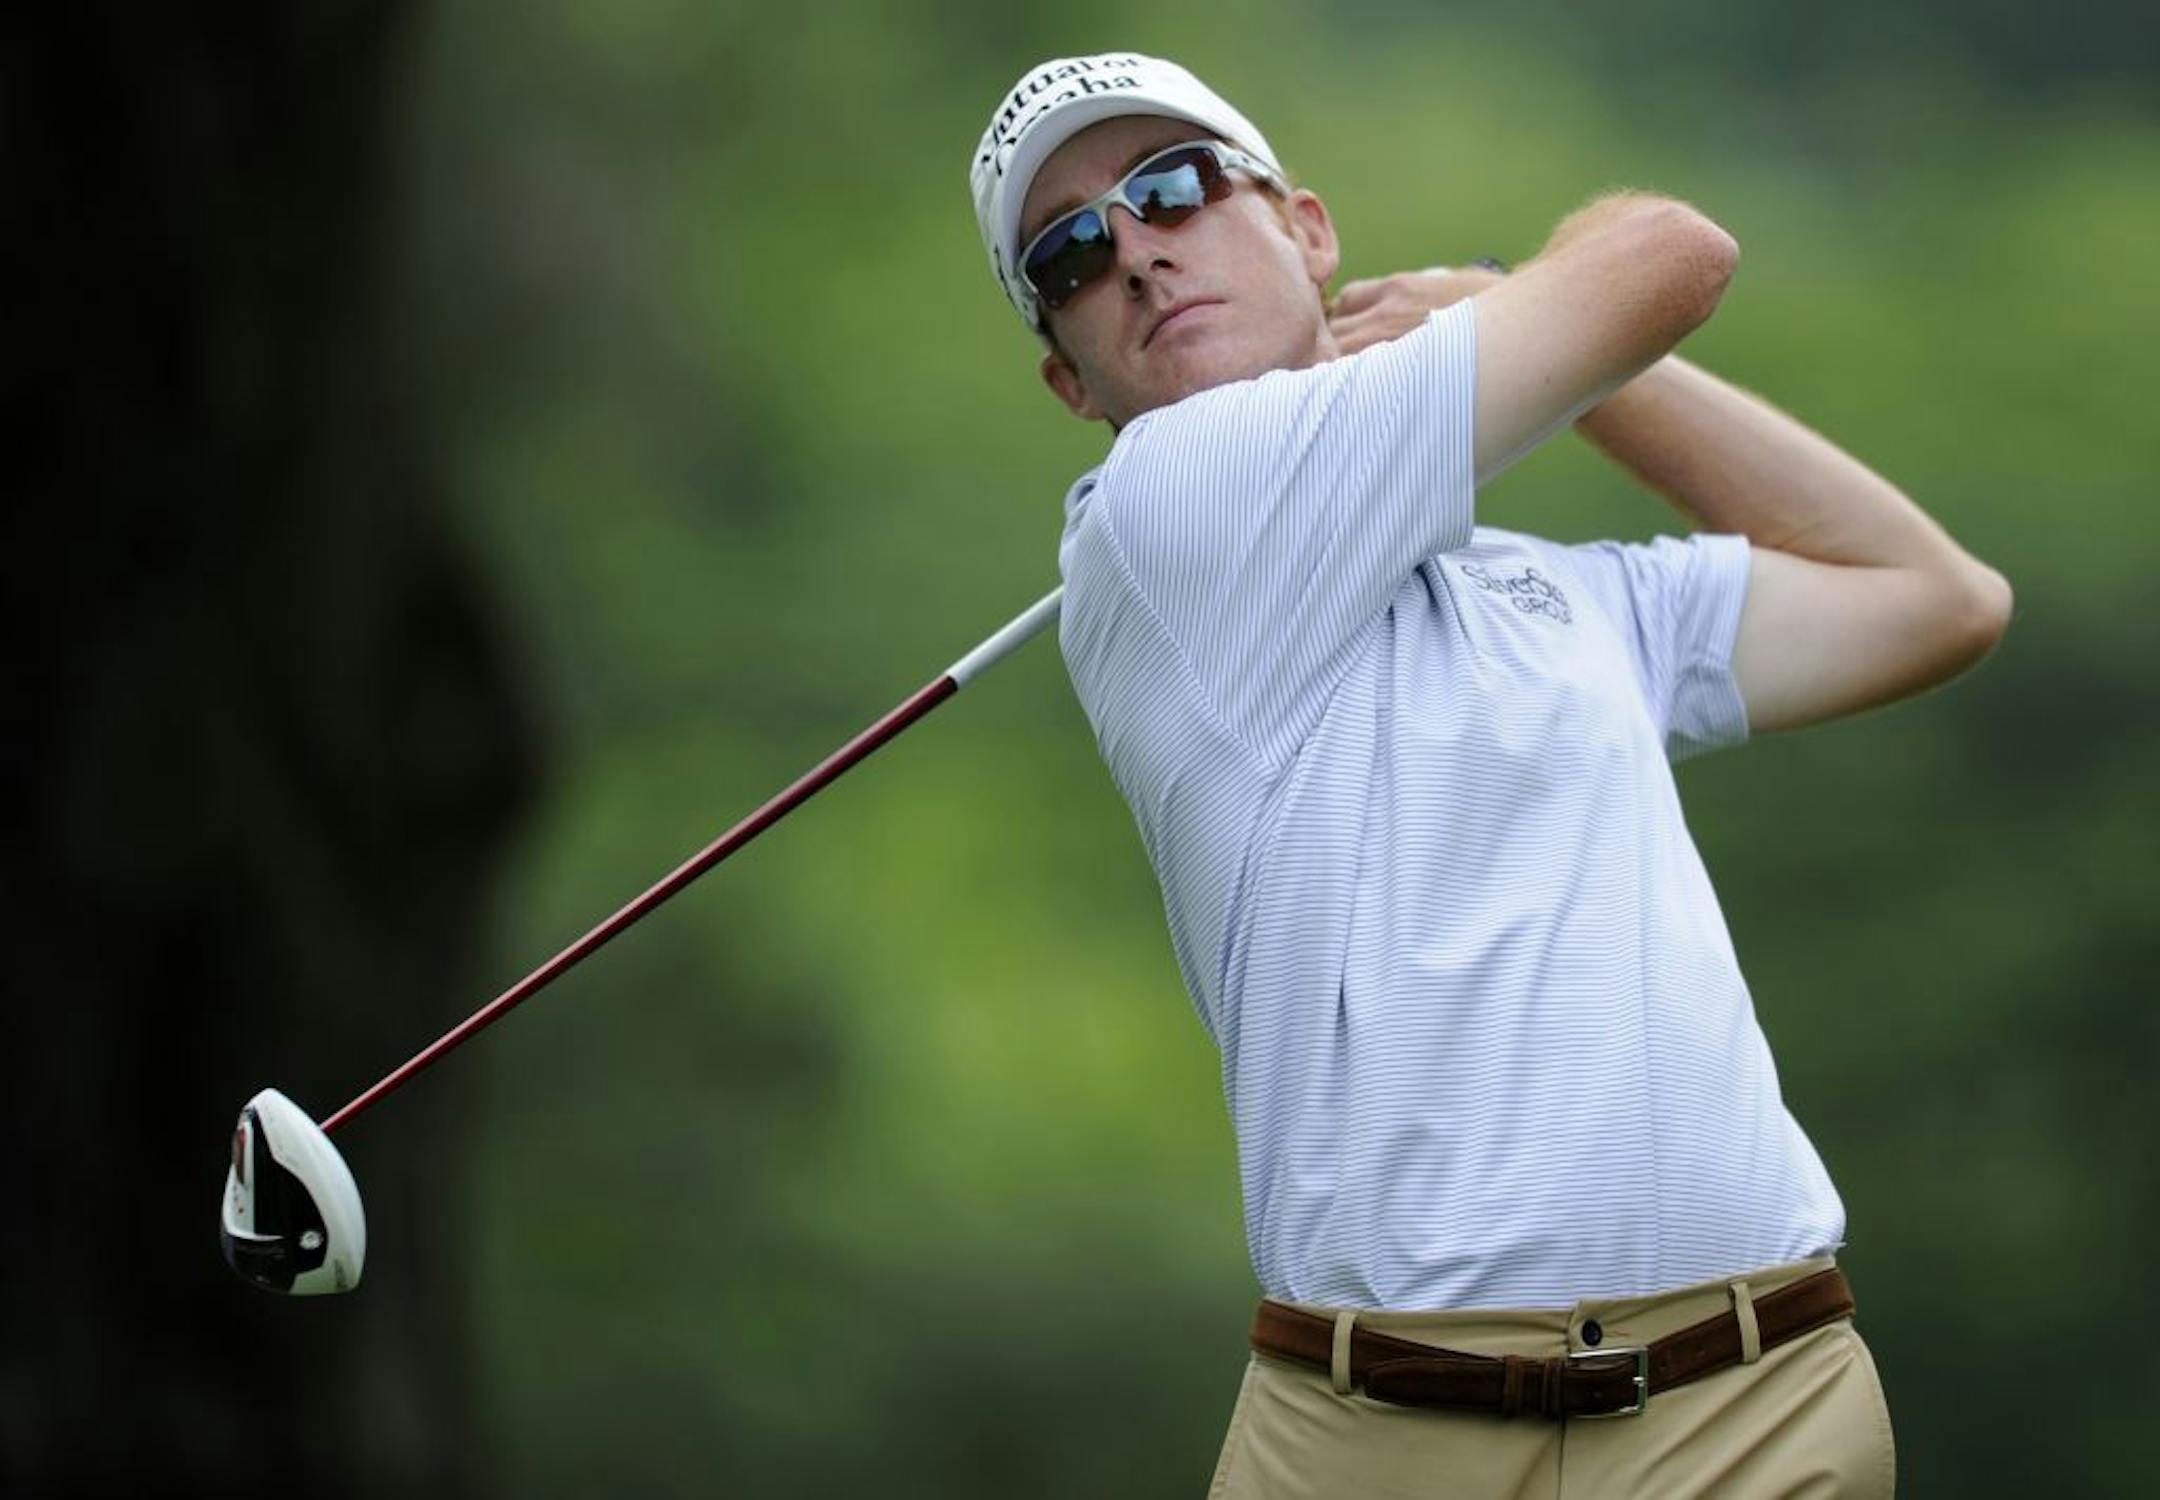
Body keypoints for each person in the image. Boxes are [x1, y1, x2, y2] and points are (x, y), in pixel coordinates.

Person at [969, 52, 2009, 1498]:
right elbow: (1670, 254)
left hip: (1756, 1400)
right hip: (1382, 1437)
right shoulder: (1165, 511)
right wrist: (1496, 297)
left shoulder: (1551, 600)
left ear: (1309, 229)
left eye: (1176, 186)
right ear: (1068, 381)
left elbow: (1934, 599)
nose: (1136, 248)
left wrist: (1565, 375)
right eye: (1069, 254)